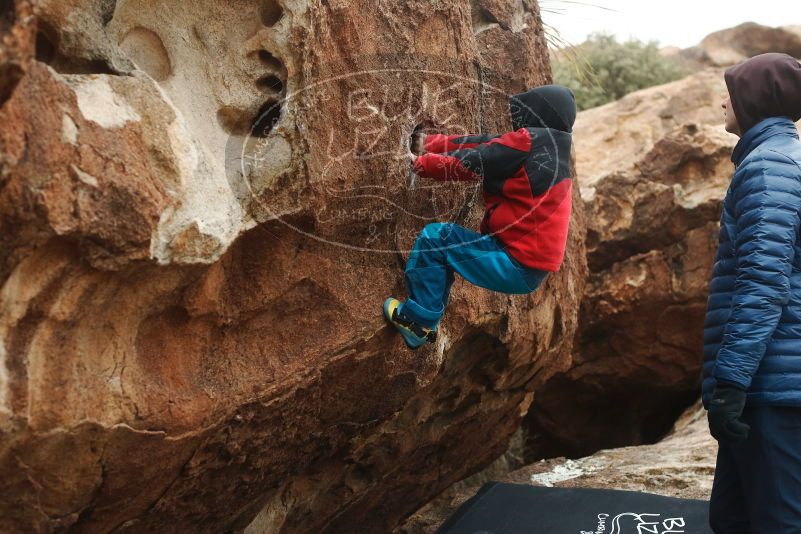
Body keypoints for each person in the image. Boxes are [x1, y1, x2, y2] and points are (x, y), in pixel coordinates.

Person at [383, 85, 576, 349]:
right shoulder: (554, 148)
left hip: (513, 262)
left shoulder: (531, 142)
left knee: (435, 240)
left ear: (538, 114)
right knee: (447, 248)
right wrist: (429, 143)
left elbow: (478, 159)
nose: (516, 125)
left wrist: (422, 164)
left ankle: (417, 322)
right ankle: (426, 315)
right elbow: (488, 144)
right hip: (526, 267)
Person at [702, 53, 801, 532]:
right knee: (731, 518)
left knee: (778, 521)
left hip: (772, 385)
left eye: (732, 91)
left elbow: (764, 283)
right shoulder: (778, 161)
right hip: (771, 377)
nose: (724, 102)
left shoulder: (769, 168)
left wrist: (732, 382)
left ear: (755, 99)